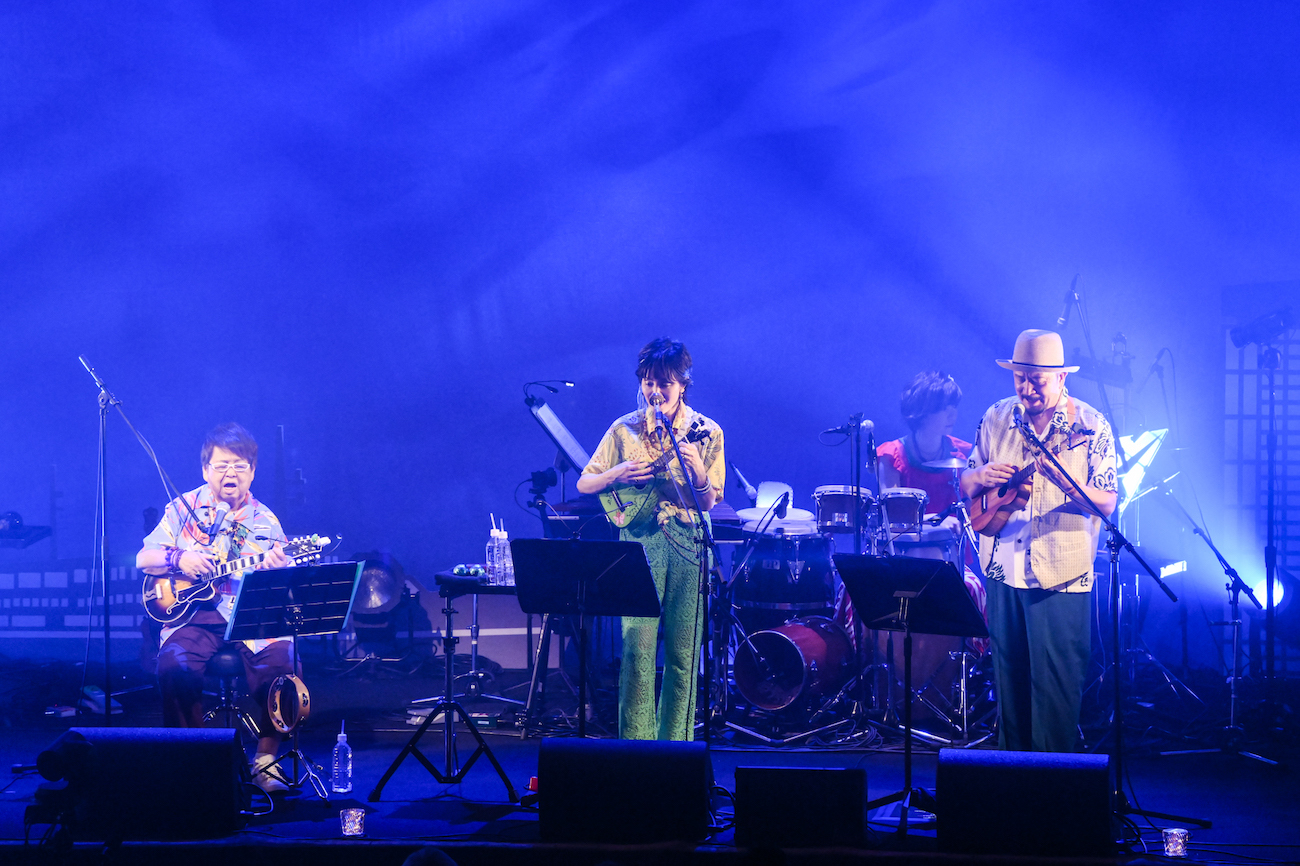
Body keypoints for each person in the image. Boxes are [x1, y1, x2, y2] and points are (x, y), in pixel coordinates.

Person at [960, 329, 1117, 752]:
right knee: (1008, 693)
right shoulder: (996, 416)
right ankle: (1012, 798)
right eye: (1020, 378)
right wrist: (979, 477)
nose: (1026, 389)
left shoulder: (1090, 425)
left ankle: (1052, 801)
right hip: (1002, 569)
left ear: (1062, 377)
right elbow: (967, 480)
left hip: (1061, 575)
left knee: (1054, 699)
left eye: (1037, 380)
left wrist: (1068, 484)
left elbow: (1108, 502)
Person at [576, 338, 725, 740]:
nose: (654, 391)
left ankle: (675, 747)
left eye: (664, 383)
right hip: (638, 545)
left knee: (683, 653)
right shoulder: (623, 429)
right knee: (637, 650)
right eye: (647, 382)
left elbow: (709, 502)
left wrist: (698, 474)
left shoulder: (707, 433)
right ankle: (635, 749)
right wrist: (617, 473)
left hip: (689, 543)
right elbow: (585, 481)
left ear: (683, 384)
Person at [137, 422, 296, 792]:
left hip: (247, 613)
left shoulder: (266, 520)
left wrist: (279, 570)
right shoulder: (181, 509)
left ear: (253, 472)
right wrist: (180, 558)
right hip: (192, 615)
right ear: (205, 469)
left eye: (240, 466)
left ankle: (266, 760)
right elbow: (144, 558)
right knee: (173, 666)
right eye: (222, 465)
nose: (231, 473)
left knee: (286, 666)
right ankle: (194, 759)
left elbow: (278, 587)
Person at [877, 370, 970, 520]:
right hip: (908, 542)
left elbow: (971, 512)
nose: (953, 415)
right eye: (945, 409)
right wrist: (934, 522)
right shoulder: (892, 455)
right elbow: (893, 517)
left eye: (954, 408)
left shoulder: (960, 453)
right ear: (923, 411)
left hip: (953, 542)